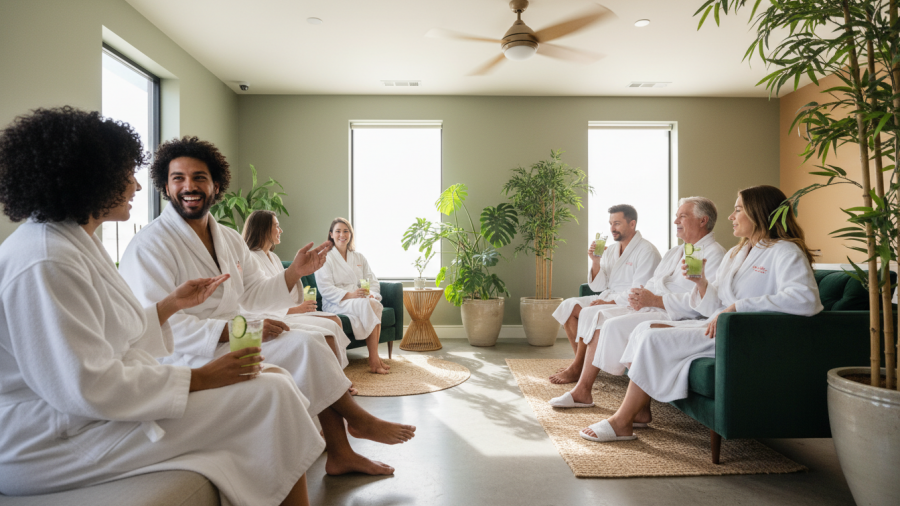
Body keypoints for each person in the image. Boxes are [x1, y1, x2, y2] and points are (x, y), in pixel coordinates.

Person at [0, 107, 321, 506]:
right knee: (270, 395)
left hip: (87, 418)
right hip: (53, 442)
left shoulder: (72, 242)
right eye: (126, 173)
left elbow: (112, 337)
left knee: (274, 384)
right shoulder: (45, 260)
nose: (136, 185)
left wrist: (168, 306)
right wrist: (199, 378)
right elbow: (86, 385)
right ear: (91, 177)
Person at [119, 136, 414, 476]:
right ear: (165, 186)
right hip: (192, 351)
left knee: (311, 342)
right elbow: (156, 323)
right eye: (178, 178)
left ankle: (341, 451)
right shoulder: (151, 246)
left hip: (235, 334)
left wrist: (293, 274)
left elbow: (253, 293)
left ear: (216, 185)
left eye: (199, 177)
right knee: (305, 344)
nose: (189, 186)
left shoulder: (227, 237)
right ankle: (355, 425)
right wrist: (230, 329)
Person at [580, 185, 823, 442]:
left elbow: (805, 299)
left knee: (651, 338)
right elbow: (713, 303)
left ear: (759, 213)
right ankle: (639, 410)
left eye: (738, 209)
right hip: (716, 323)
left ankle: (621, 422)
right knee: (642, 330)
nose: (731, 216)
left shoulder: (784, 251)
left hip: (742, 334)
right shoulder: (737, 252)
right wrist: (700, 283)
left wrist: (738, 307)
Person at [549, 197, 726, 408]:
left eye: (682, 216)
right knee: (600, 317)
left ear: (703, 220)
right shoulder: (675, 252)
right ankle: (584, 387)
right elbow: (650, 282)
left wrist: (655, 300)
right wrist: (641, 296)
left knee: (606, 321)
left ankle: (584, 389)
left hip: (674, 314)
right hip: (649, 305)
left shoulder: (715, 254)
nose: (675, 221)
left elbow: (703, 303)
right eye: (676, 216)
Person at [549, 204, 661, 384]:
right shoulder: (611, 251)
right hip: (609, 295)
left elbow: (640, 292)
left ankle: (577, 367)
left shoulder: (646, 251)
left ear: (632, 224)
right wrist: (595, 261)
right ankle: (583, 363)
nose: (612, 229)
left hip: (629, 303)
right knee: (568, 307)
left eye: (617, 223)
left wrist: (609, 303)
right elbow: (598, 286)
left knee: (587, 312)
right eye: (610, 223)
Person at [242, 209, 352, 369]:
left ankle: (339, 374)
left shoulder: (274, 257)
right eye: (276, 226)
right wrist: (296, 309)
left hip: (285, 312)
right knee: (327, 332)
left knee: (334, 321)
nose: (280, 230)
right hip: (270, 317)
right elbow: (258, 302)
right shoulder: (250, 259)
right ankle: (336, 379)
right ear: (263, 228)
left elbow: (285, 290)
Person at [316, 218, 391, 375]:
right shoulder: (325, 258)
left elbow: (373, 281)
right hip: (336, 301)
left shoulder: (359, 257)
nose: (342, 235)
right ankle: (374, 360)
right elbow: (325, 289)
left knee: (374, 303)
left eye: (346, 231)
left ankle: (374, 358)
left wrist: (371, 294)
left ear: (350, 234)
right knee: (370, 305)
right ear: (331, 234)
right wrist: (351, 294)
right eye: (338, 231)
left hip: (360, 298)